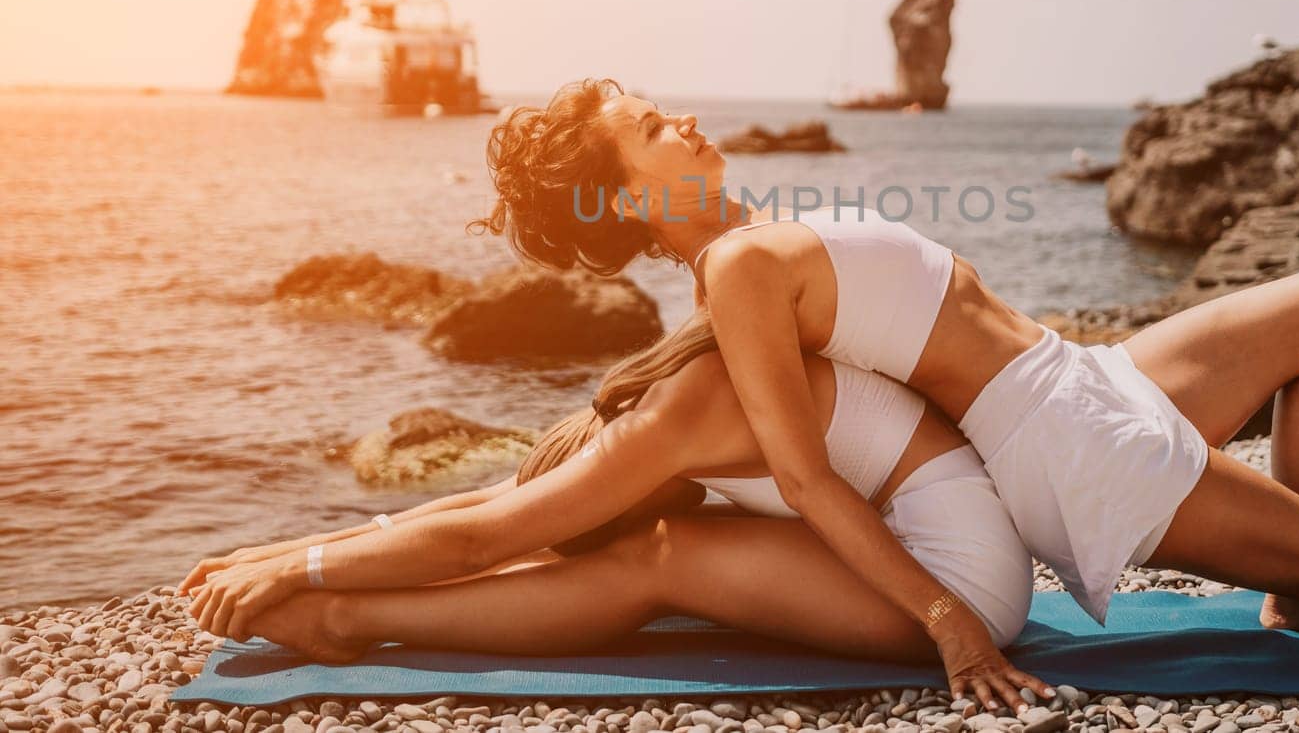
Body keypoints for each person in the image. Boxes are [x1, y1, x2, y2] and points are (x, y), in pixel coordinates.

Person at [456, 77, 1299, 694]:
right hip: (1067, 444)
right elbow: (803, 469)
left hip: (1081, 374)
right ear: (634, 196)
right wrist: (943, 615)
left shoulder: (751, 239)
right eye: (654, 126)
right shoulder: (740, 271)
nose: (689, 117)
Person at [180, 312, 1049, 711]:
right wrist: (285, 546)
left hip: (960, 584)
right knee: (652, 543)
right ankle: (342, 608)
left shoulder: (677, 420)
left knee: (659, 554)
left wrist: (306, 577)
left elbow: (490, 533)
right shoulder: (672, 385)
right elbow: (492, 500)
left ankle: (347, 619)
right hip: (927, 544)